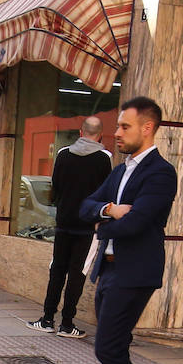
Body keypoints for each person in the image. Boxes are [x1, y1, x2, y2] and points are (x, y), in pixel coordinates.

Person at [71, 96, 178, 364]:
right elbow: (84, 206)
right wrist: (110, 210)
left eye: (124, 126)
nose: (116, 133)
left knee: (108, 348)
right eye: (118, 126)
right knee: (114, 349)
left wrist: (105, 225)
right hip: (110, 269)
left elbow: (137, 223)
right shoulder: (120, 170)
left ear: (148, 128)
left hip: (135, 272)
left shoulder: (161, 173)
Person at [26, 116, 112, 338]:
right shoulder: (105, 158)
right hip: (89, 227)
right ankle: (67, 323)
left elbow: (56, 186)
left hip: (64, 223)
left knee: (57, 269)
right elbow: (107, 192)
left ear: (81, 133)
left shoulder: (64, 154)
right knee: (78, 273)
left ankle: (46, 319)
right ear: (100, 135)